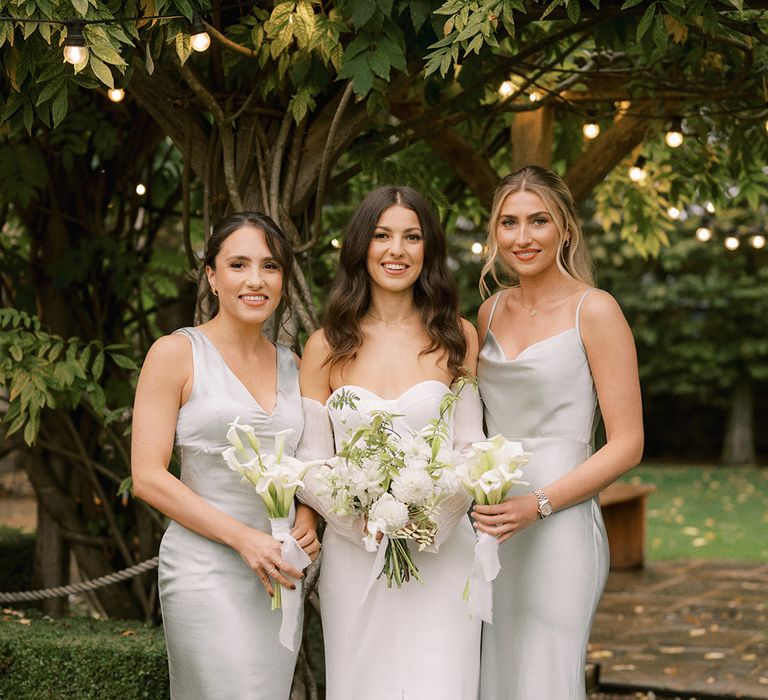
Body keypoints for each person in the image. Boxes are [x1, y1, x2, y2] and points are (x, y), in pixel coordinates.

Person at [297, 186, 483, 700]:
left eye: (412, 236)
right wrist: (356, 517)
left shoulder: (456, 337)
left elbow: (471, 447)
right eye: (382, 235)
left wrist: (430, 518)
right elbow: (311, 461)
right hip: (354, 551)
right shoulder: (325, 345)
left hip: (440, 550)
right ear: (361, 246)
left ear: (429, 250)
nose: (396, 250)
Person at [131, 212, 320, 700]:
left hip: (278, 572)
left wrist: (306, 518)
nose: (255, 280)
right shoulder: (174, 353)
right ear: (212, 277)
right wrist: (243, 539)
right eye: (238, 264)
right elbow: (148, 477)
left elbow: (306, 461)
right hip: (204, 569)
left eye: (270, 266)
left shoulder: (292, 364)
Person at [473, 165, 644, 699]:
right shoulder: (488, 312)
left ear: (566, 229)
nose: (522, 238)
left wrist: (540, 503)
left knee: (546, 675)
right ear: (495, 233)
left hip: (560, 525)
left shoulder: (595, 311)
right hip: (492, 526)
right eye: (509, 223)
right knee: (493, 675)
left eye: (538, 221)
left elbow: (628, 443)